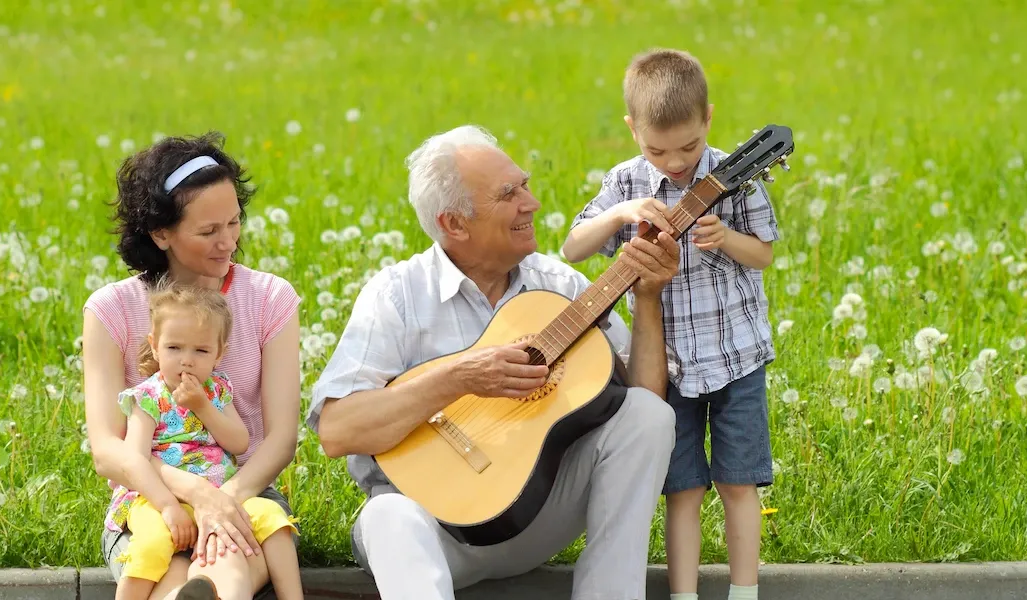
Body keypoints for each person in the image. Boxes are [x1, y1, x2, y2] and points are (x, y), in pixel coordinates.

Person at [307, 124, 681, 600]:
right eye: (509, 194)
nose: (532, 203)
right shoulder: (396, 295)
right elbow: (337, 431)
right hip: (430, 533)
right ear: (454, 224)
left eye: (524, 185)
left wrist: (648, 299)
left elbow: (643, 407)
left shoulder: (558, 286)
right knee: (386, 516)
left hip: (535, 513)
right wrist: (462, 377)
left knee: (649, 415)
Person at [561, 48, 780, 600]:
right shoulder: (625, 181)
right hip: (669, 370)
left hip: (735, 359)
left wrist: (724, 238)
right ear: (633, 129)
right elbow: (573, 248)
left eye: (689, 146)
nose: (676, 162)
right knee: (681, 489)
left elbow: (764, 254)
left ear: (709, 116)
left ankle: (744, 591)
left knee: (738, 482)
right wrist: (619, 214)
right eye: (658, 149)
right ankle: (684, 594)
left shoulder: (736, 175)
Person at [83, 132, 303, 600]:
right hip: (147, 501)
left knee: (224, 569)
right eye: (208, 231)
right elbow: (107, 449)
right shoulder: (111, 310)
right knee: (172, 578)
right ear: (161, 233)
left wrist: (223, 499)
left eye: (234, 222)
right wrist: (191, 495)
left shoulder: (270, 299)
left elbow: (281, 438)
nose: (228, 243)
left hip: (246, 491)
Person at [107, 281, 303, 600]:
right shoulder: (147, 399)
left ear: (219, 354)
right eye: (174, 348)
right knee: (153, 543)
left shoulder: (215, 390)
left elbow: (238, 442)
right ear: (155, 346)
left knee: (273, 520)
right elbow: (134, 461)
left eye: (200, 351)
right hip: (156, 498)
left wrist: (203, 407)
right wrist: (167, 506)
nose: (187, 360)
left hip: (220, 494)